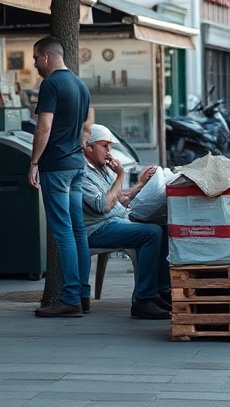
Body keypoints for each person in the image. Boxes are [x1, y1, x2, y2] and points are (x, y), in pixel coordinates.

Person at [28, 35, 91, 318]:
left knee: (63, 231)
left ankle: (69, 299)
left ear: (46, 57)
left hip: (57, 167)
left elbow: (44, 126)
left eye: (35, 58)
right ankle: (82, 294)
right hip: (77, 165)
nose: (34, 64)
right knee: (78, 231)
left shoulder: (50, 84)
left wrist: (34, 162)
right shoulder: (80, 85)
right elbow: (86, 126)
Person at [80, 124, 170, 320]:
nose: (108, 152)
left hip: (115, 220)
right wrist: (120, 175)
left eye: (109, 147)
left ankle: (162, 290)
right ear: (88, 147)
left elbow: (118, 198)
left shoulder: (101, 169)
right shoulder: (83, 173)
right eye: (104, 146)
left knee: (162, 226)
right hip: (98, 229)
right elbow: (102, 205)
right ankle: (143, 300)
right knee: (152, 233)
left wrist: (141, 184)